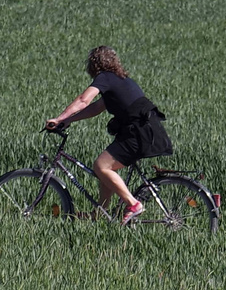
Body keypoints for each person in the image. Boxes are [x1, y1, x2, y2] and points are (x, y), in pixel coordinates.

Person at [44, 45, 172, 223]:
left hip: (137, 132)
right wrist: (68, 120)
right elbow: (96, 107)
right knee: (106, 170)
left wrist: (59, 118)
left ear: (94, 66)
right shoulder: (120, 79)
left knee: (101, 166)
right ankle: (99, 214)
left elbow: (84, 100)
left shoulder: (105, 78)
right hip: (144, 130)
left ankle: (133, 204)